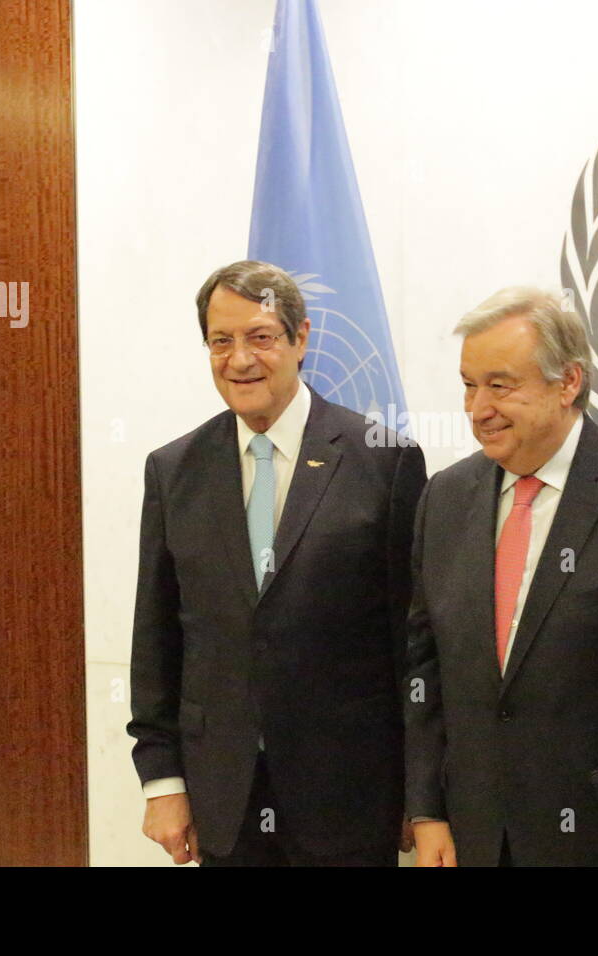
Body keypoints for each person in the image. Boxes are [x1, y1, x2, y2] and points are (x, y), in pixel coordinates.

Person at [127, 260, 426, 866]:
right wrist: (162, 781)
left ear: (301, 338)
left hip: (351, 803)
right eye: (221, 341)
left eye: (261, 337)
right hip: (223, 802)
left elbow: (414, 646)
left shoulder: (386, 462)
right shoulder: (174, 470)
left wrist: (420, 795)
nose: (240, 360)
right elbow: (156, 638)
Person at [405, 287, 598, 866]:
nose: (477, 408)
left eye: (501, 384)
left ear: (568, 382)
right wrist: (427, 810)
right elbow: (424, 667)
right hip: (473, 833)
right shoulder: (444, 497)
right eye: (469, 384)